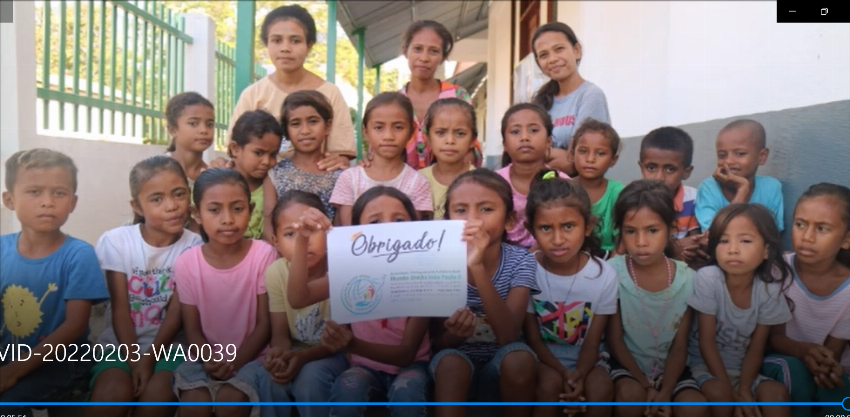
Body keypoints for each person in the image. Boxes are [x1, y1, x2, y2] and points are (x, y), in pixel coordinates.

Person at [284, 187, 432, 417]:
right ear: (357, 233)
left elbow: (406, 354)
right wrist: (302, 239)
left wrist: (350, 345)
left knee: (408, 394)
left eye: (399, 220)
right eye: (374, 223)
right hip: (364, 367)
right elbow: (297, 298)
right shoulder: (351, 273)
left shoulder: (422, 275)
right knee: (348, 392)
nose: (387, 229)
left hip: (412, 367)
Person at [85, 156, 202, 417]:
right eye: (157, 199)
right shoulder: (117, 241)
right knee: (110, 396)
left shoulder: (194, 247)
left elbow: (176, 313)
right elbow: (119, 308)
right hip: (119, 344)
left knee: (156, 401)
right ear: (137, 205)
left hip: (172, 348)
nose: (171, 206)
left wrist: (149, 358)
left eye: (179, 194)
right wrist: (134, 358)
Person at [0, 149, 110, 415]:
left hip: (63, 363)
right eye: (34, 191)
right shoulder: (2, 249)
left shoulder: (78, 254)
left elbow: (75, 326)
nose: (47, 202)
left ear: (72, 202)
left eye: (58, 193)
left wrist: (13, 371)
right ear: (9, 199)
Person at [430, 169, 539, 417]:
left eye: (486, 209)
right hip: (455, 365)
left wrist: (476, 266)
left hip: (501, 365)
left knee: (519, 358)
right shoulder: (437, 263)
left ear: (509, 220)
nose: (473, 220)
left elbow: (509, 335)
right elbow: (437, 341)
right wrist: (454, 336)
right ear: (447, 220)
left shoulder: (521, 261)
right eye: (460, 210)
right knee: (450, 363)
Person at [172, 169, 277, 417]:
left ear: (251, 209)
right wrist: (210, 360)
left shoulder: (263, 255)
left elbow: (264, 326)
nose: (228, 219)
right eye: (214, 210)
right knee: (194, 406)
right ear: (196, 214)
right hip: (202, 358)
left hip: (252, 358)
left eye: (237, 208)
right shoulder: (186, 263)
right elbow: (193, 330)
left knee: (230, 404)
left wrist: (234, 363)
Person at [606, 180, 708, 417]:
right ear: (620, 231)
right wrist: (645, 384)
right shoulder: (613, 273)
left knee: (695, 407)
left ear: (672, 228)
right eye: (631, 231)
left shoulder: (687, 280)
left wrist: (665, 390)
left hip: (673, 371)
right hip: (625, 367)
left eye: (652, 230)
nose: (641, 242)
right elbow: (615, 341)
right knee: (631, 398)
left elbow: (679, 346)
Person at [521, 170, 615, 417]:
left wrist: (579, 374)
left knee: (600, 387)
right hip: (543, 357)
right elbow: (533, 338)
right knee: (548, 385)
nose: (558, 239)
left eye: (568, 226)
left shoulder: (603, 275)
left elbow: (593, 340)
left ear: (588, 226)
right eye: (545, 228)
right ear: (531, 230)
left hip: (589, 357)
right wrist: (563, 373)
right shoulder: (527, 269)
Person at [688, 204, 792, 417]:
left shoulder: (769, 290)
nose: (733, 249)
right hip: (704, 368)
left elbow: (756, 348)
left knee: (777, 396)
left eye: (745, 240)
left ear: (766, 250)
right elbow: (705, 343)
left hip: (746, 370)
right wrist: (731, 393)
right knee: (722, 398)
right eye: (723, 241)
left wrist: (744, 389)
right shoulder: (709, 278)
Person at [224, 5, 355, 172]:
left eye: (295, 40)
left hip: (314, 188)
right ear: (267, 44)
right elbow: (234, 148)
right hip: (261, 186)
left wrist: (339, 160)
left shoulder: (330, 93)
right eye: (277, 40)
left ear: (309, 45)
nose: (285, 48)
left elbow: (341, 154)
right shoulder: (253, 94)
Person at [762, 183, 850, 417]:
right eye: (800, 224)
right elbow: (774, 337)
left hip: (829, 362)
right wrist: (804, 351)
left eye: (822, 228)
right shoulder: (778, 270)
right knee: (796, 373)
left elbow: (834, 352)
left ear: (846, 239)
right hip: (782, 357)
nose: (807, 237)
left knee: (837, 383)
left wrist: (825, 366)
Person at [260, 191, 349, 417]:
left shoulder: (341, 268)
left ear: (328, 232)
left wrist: (302, 358)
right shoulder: (276, 273)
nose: (304, 240)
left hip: (336, 353)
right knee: (273, 378)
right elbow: (280, 333)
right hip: (295, 350)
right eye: (291, 233)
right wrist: (279, 353)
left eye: (312, 231)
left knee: (310, 378)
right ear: (275, 242)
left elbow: (343, 337)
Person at [329, 92, 433, 226]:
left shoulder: (417, 183)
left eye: (398, 127)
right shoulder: (350, 179)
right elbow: (349, 233)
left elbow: (412, 233)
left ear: (411, 131)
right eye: (379, 127)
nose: (388, 136)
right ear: (365, 132)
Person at [398, 20, 482, 169]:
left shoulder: (457, 95)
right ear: (406, 51)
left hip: (449, 185)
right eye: (417, 49)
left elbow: (470, 147)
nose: (424, 58)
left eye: (433, 51)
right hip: (403, 188)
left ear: (443, 57)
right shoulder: (395, 102)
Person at [531, 22, 610, 177]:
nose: (552, 59)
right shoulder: (540, 102)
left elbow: (577, 161)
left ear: (576, 50)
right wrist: (558, 154)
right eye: (544, 55)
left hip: (580, 193)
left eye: (559, 49)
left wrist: (544, 155)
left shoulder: (590, 95)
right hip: (544, 194)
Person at [264, 91, 343, 241]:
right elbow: (269, 227)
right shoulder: (275, 175)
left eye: (313, 121)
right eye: (295, 124)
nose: (305, 131)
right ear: (286, 131)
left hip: (329, 258)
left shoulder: (339, 175)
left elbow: (342, 227)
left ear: (327, 126)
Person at [495, 103, 567, 249]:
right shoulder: (493, 184)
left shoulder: (563, 183)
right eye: (515, 132)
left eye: (533, 130)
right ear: (505, 144)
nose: (525, 137)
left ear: (548, 141)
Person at [695, 119, 784, 233]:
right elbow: (715, 235)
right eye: (722, 155)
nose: (729, 161)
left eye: (740, 154)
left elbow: (772, 235)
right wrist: (742, 190)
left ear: (762, 156)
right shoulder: (709, 188)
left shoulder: (771, 187)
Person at [638, 126, 708, 268]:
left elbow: (696, 240)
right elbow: (633, 245)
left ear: (686, 172)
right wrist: (674, 247)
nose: (659, 177)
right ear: (641, 167)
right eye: (651, 168)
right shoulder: (634, 200)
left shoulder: (693, 199)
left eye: (670, 169)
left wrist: (690, 248)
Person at [570, 119, 623, 258]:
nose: (590, 159)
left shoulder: (618, 193)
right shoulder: (563, 190)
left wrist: (610, 271)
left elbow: (621, 242)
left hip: (609, 260)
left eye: (600, 153)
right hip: (568, 258)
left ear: (613, 160)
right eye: (583, 151)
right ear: (572, 154)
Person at [163, 92, 215, 234]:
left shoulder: (211, 174)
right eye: (193, 123)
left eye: (209, 124)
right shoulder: (158, 170)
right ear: (172, 129)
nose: (204, 130)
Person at [418, 98, 477, 219]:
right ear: (428, 138)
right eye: (440, 133)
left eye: (460, 133)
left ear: (472, 140)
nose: (450, 141)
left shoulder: (480, 182)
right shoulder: (417, 180)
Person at [228, 110, 283, 239]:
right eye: (258, 153)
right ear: (235, 149)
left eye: (273, 155)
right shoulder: (215, 185)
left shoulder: (274, 189)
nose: (266, 162)